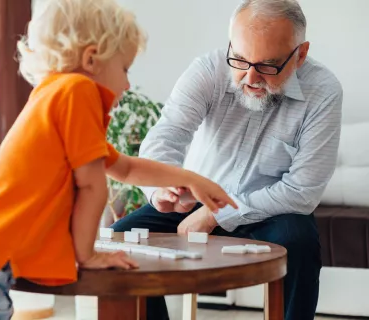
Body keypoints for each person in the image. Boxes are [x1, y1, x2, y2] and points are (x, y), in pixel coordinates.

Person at [0, 0, 238, 319]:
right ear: (92, 59)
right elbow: (93, 187)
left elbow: (126, 167)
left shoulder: (54, 96)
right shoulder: (78, 92)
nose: (128, 83)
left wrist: (194, 179)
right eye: (124, 68)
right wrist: (87, 255)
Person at [111, 0, 343, 319]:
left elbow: (303, 190)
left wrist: (214, 215)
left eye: (268, 66)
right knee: (120, 239)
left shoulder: (324, 90)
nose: (250, 77)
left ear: (300, 55)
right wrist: (160, 189)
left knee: (299, 242)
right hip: (195, 199)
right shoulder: (209, 69)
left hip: (269, 210)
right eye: (240, 59)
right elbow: (166, 135)